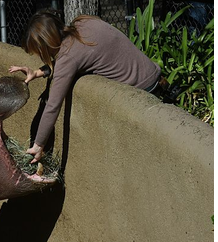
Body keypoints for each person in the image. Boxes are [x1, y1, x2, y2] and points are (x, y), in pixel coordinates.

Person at [9, 12, 162, 163]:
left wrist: (38, 145)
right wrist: (38, 72)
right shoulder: (84, 22)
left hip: (143, 89)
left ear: (45, 47)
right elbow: (78, 54)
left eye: (38, 52)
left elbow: (53, 106)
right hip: (153, 73)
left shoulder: (68, 58)